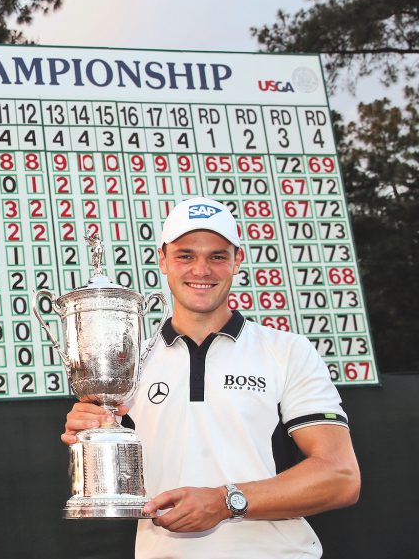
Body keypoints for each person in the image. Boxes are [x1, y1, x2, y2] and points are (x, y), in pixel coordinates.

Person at [61, 196, 360, 559]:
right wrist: (92, 434)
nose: (201, 270)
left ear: (237, 261)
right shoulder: (128, 362)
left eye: (217, 256)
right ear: (163, 260)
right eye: (186, 255)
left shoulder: (287, 351)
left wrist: (225, 501)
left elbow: (340, 477)